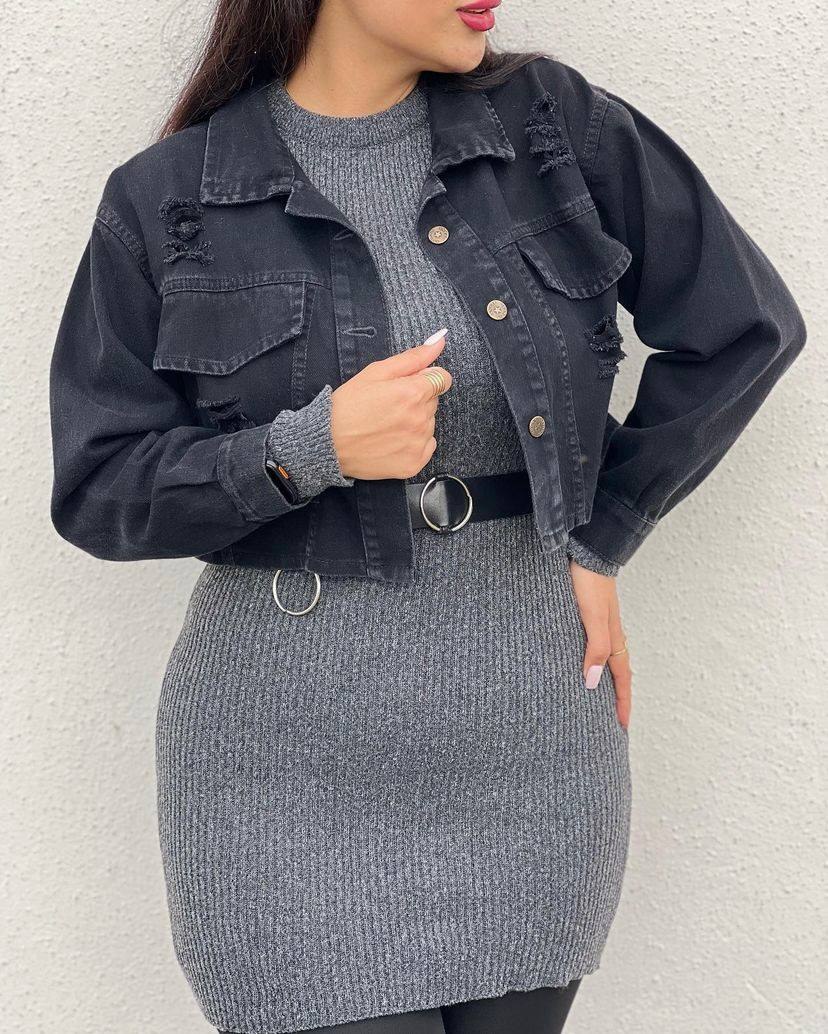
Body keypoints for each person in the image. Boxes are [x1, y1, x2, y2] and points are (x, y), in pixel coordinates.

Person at [48, 1, 807, 1032]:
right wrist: (309, 447)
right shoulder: (169, 196)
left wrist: (606, 532)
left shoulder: (552, 126)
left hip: (531, 747)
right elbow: (98, 485)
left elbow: (744, 328)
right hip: (282, 771)